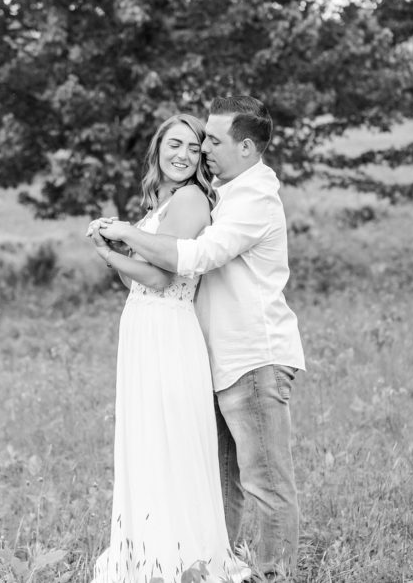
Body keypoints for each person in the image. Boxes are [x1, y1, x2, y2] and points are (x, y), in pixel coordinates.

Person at [97, 96, 305, 580]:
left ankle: (273, 576)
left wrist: (125, 233)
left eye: (212, 140)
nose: (203, 149)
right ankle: (210, 566)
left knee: (266, 483)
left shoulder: (255, 200)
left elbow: (196, 256)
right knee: (218, 482)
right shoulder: (228, 192)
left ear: (247, 147)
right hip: (214, 358)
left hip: (253, 357)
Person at [86, 113, 248, 583]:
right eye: (174, 145)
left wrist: (111, 250)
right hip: (143, 327)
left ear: (202, 158)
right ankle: (151, 549)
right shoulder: (162, 200)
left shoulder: (192, 199)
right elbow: (136, 273)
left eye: (194, 148)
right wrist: (114, 248)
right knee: (147, 439)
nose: (183, 155)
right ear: (157, 148)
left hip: (169, 330)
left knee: (170, 440)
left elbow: (161, 276)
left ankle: (181, 558)